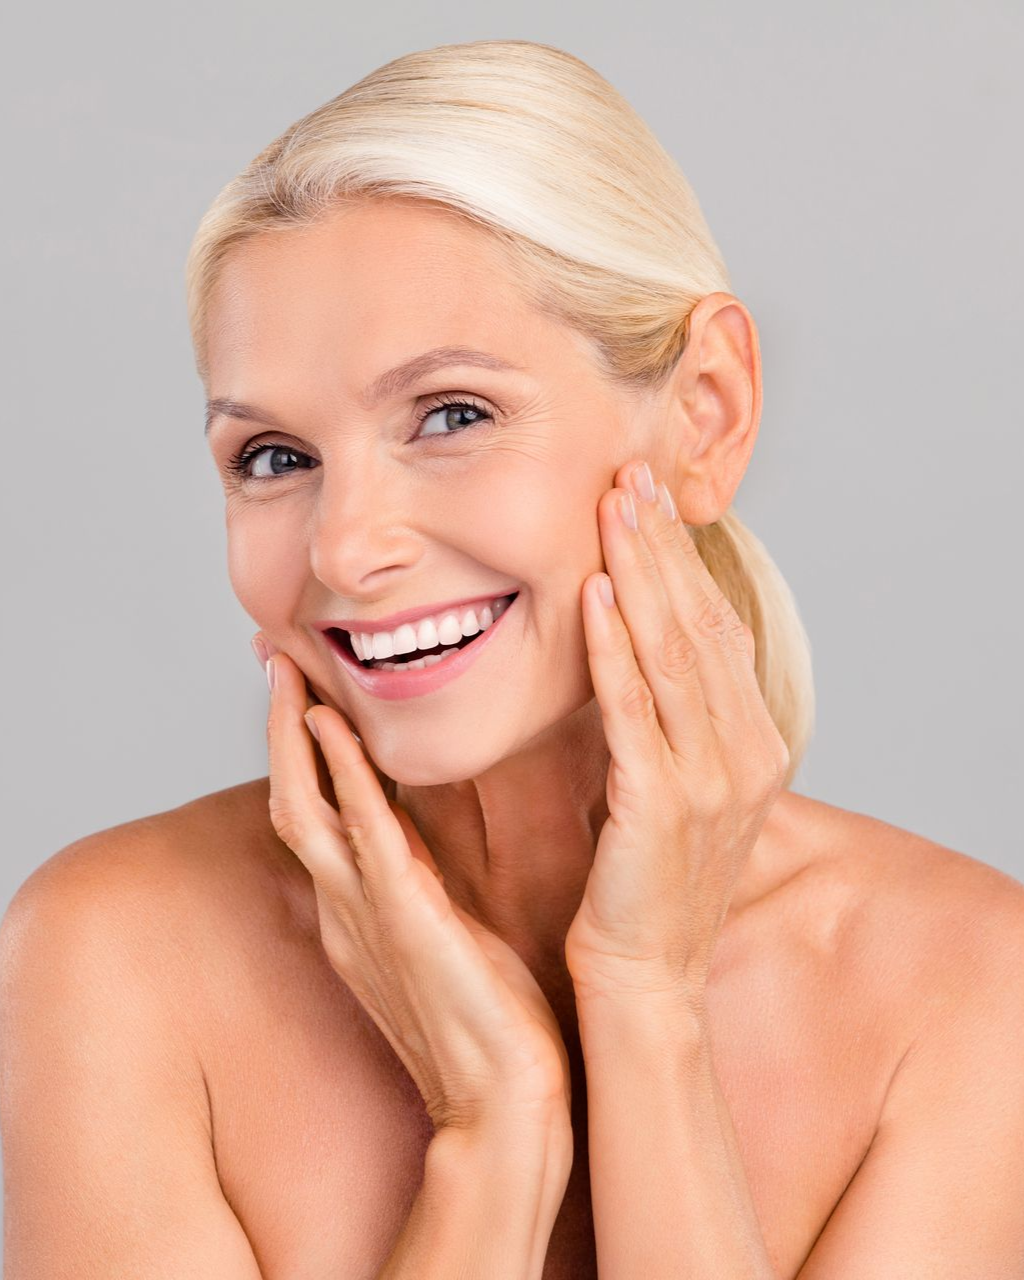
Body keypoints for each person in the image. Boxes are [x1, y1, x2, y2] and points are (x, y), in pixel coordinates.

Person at [2, 37, 1022, 1280]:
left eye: (451, 414)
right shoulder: (116, 953)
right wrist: (492, 1133)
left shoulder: (966, 986)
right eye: (274, 456)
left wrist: (645, 1004)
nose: (345, 546)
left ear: (704, 412)